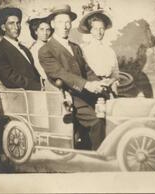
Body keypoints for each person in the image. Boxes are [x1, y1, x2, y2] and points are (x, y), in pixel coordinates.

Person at [38, 5, 108, 150]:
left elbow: (86, 70)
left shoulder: (75, 47)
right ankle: (100, 159)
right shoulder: (45, 50)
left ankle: (91, 149)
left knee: (111, 110)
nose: (65, 26)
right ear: (52, 24)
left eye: (68, 22)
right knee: (97, 121)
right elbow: (60, 73)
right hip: (69, 97)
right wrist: (86, 85)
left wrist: (99, 83)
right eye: (60, 22)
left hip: (84, 93)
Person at [0, 7, 41, 90]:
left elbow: (34, 73)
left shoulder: (24, 49)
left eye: (18, 23)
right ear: (3, 27)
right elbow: (10, 78)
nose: (16, 27)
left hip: (36, 92)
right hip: (22, 96)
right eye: (11, 23)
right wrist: (37, 86)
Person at [78, 9, 119, 95]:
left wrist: (111, 81)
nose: (99, 32)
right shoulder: (84, 50)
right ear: (91, 30)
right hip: (91, 90)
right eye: (95, 29)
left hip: (108, 89)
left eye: (102, 28)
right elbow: (82, 74)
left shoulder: (110, 51)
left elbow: (115, 74)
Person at [27, 12, 55, 90]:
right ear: (36, 31)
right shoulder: (34, 49)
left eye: (48, 30)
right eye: (42, 29)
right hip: (48, 84)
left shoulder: (51, 46)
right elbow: (42, 72)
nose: (45, 33)